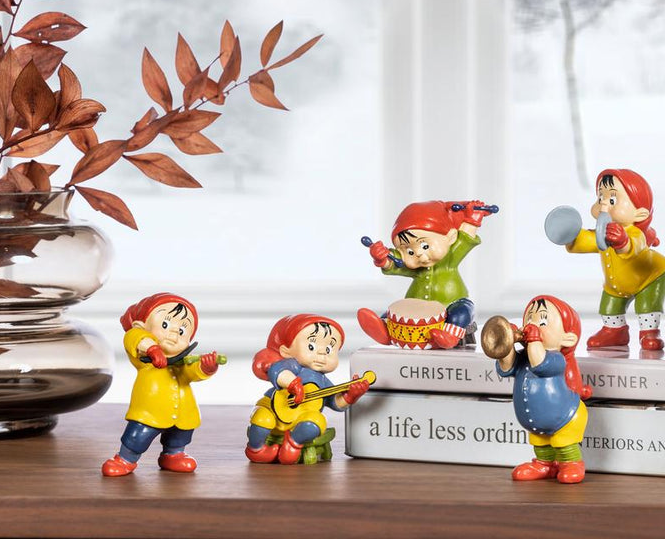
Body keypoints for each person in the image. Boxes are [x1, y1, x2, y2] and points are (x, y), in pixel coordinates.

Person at [101, 293, 221, 476]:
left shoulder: (183, 361)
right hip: (150, 411)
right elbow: (133, 337)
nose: (174, 334)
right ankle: (126, 458)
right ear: (142, 326)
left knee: (181, 435)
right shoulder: (144, 358)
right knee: (138, 435)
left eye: (182, 331)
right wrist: (152, 348)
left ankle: (174, 455)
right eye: (165, 325)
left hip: (183, 411)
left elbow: (190, 373)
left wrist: (206, 367)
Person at [359, 200, 495, 349]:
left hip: (451, 302)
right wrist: (382, 257)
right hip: (415, 306)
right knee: (392, 314)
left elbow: (464, 239)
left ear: (450, 237)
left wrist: (473, 219)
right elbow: (395, 262)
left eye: (425, 245)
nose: (418, 254)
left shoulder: (451, 257)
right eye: (409, 251)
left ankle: (449, 336)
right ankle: (384, 330)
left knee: (462, 311)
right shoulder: (415, 267)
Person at [563, 169, 665, 351]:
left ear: (640, 214)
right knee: (609, 307)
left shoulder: (635, 233)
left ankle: (649, 333)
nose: (604, 204)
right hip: (616, 285)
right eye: (600, 198)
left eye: (612, 200)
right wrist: (568, 233)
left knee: (647, 307)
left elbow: (634, 246)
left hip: (650, 277)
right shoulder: (602, 232)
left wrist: (623, 242)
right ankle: (615, 331)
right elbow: (583, 241)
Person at [246, 314, 369, 464]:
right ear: (286, 351)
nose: (322, 353)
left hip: (300, 419)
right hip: (272, 408)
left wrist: (350, 396)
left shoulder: (323, 381)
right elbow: (278, 371)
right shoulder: (292, 365)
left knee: (318, 421)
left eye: (329, 349)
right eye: (311, 346)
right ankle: (256, 449)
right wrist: (292, 384)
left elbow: (335, 402)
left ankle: (293, 444)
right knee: (262, 418)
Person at [495, 295, 592, 484]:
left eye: (542, 321)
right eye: (529, 320)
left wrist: (534, 338)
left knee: (564, 443)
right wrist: (505, 345)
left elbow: (539, 363)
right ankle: (544, 464)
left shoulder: (556, 359)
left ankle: (572, 463)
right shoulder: (524, 357)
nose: (532, 325)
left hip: (566, 416)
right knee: (540, 442)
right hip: (538, 422)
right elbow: (506, 368)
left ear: (568, 339)